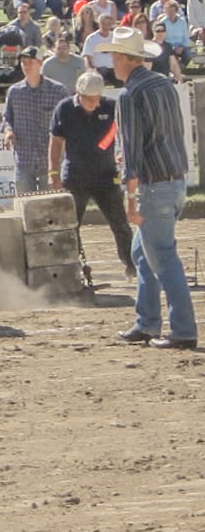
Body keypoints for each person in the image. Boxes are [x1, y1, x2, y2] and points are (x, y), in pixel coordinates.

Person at [98, 27, 197, 350]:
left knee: (163, 257)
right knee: (144, 252)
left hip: (153, 185)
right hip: (176, 177)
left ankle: (182, 329)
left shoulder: (130, 95)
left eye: (114, 56)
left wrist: (130, 197)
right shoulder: (165, 85)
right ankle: (147, 322)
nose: (112, 63)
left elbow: (133, 152)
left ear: (126, 59)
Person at [47, 70, 135, 278]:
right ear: (79, 94)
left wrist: (117, 151)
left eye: (97, 99)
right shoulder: (65, 109)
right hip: (75, 175)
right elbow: (56, 142)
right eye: (89, 99)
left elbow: (121, 133)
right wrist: (53, 172)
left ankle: (131, 263)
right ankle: (76, 267)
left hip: (105, 174)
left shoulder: (111, 107)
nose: (93, 104)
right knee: (71, 225)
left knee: (119, 222)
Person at [2, 46, 68, 195]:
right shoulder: (14, 92)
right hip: (24, 159)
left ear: (40, 63)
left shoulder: (58, 91)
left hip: (50, 161)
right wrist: (8, 131)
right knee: (25, 205)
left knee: (51, 206)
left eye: (30, 62)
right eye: (23, 62)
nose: (26, 66)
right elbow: (7, 118)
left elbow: (69, 122)